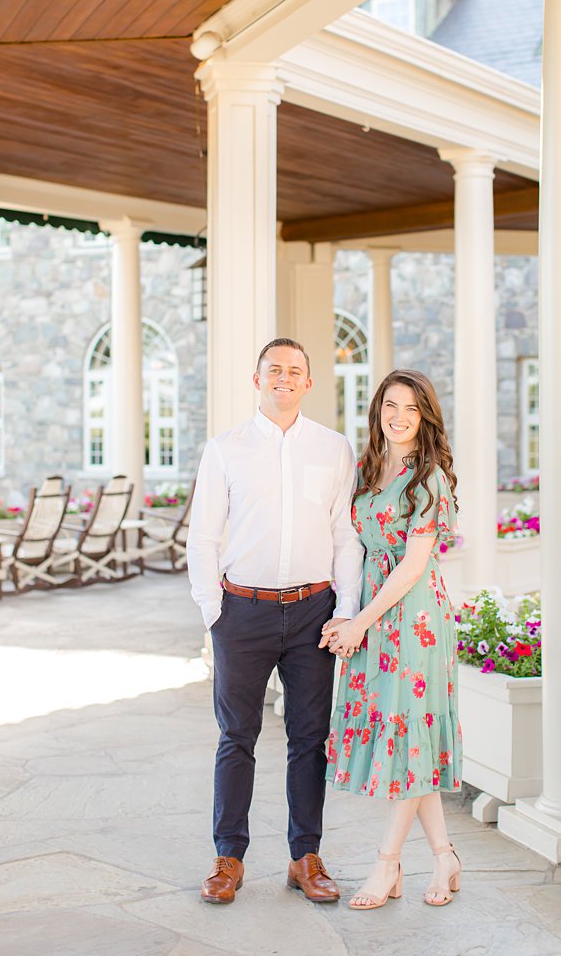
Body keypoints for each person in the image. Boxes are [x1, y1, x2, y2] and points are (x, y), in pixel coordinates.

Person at [185, 337, 364, 904]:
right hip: (242, 612)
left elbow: (346, 536)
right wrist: (215, 613)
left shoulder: (334, 449)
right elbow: (204, 537)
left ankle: (304, 858)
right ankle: (228, 858)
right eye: (274, 370)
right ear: (256, 380)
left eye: (295, 371)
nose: (284, 378)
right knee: (237, 736)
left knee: (310, 739)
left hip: (314, 612)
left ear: (309, 383)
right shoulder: (225, 449)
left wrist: (346, 610)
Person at [320, 368, 463, 909]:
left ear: (425, 416)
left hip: (415, 618)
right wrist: (346, 611)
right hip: (374, 615)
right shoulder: (367, 467)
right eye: (390, 406)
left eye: (411, 408)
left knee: (407, 735)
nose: (399, 417)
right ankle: (444, 854)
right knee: (407, 736)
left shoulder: (430, 478)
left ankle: (386, 865)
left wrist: (360, 622)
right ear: (377, 410)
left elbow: (411, 568)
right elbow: (349, 544)